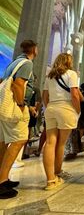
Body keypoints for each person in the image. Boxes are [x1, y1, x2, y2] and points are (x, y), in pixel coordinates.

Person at [0, 40, 38, 199]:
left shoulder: (13, 63)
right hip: (15, 107)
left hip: (4, 106)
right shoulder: (27, 63)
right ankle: (1, 182)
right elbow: (18, 84)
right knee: (19, 140)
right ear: (34, 50)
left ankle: (3, 178)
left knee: (3, 141)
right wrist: (22, 104)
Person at [42, 53, 81, 190]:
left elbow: (44, 96)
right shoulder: (71, 74)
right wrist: (77, 110)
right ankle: (57, 172)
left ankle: (50, 180)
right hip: (66, 108)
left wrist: (50, 108)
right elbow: (75, 95)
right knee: (61, 144)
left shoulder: (50, 76)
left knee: (50, 142)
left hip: (51, 108)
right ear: (68, 62)